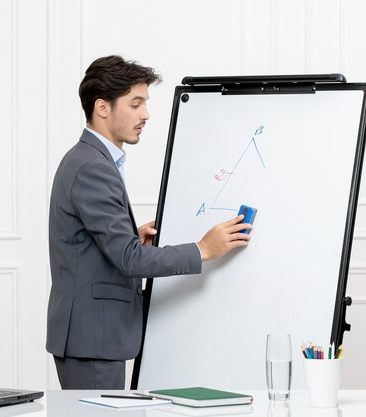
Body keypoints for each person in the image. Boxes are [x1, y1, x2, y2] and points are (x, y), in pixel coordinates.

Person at [46, 55, 251, 389]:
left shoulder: (88, 159)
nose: (146, 114)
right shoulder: (92, 167)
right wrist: (202, 249)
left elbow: (91, 243)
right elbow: (128, 259)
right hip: (93, 339)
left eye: (145, 103)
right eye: (136, 103)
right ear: (103, 107)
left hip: (92, 335)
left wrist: (131, 235)